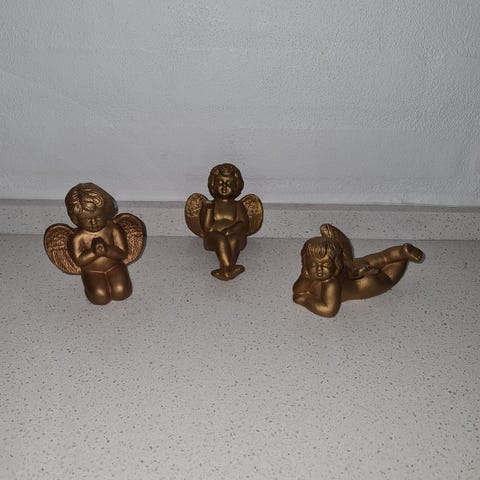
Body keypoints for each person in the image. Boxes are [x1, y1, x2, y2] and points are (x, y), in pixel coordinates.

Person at [293, 225, 424, 317]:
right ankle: (401, 251)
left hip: (369, 284)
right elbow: (298, 289)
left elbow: (329, 310)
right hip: (355, 266)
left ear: (336, 263)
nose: (319, 269)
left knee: (388, 278)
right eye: (313, 264)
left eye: (326, 264)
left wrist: (304, 300)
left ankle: (403, 256)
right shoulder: (310, 274)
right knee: (380, 258)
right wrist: (306, 277)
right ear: (306, 263)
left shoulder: (331, 283)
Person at [65, 183, 132, 304]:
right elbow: (78, 261)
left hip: (114, 266)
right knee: (99, 297)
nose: (93, 222)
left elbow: (123, 253)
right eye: (86, 219)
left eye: (98, 217)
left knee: (121, 291)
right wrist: (93, 253)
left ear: (106, 212)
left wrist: (107, 250)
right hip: (92, 271)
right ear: (76, 219)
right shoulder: (78, 237)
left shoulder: (113, 229)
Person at [200, 163, 250, 280]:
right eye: (220, 182)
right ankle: (228, 266)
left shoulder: (238, 206)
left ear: (236, 186)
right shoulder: (210, 205)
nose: (224, 186)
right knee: (220, 238)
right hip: (212, 238)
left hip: (233, 234)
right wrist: (209, 210)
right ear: (213, 185)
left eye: (229, 183)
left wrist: (231, 230)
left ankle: (225, 271)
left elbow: (244, 224)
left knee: (235, 238)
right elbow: (207, 228)